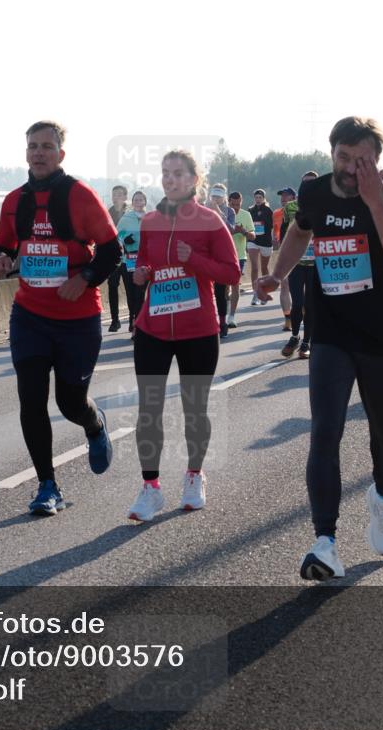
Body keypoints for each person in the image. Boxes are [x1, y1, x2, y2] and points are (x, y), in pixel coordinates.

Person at [257, 116, 383, 580]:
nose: (351, 168)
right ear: (331, 155)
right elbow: (300, 231)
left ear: (377, 160)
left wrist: (375, 202)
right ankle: (324, 542)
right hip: (331, 332)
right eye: (343, 158)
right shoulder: (313, 193)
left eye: (361, 160)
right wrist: (278, 273)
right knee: (325, 432)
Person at [0, 121, 122, 515]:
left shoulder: (80, 195)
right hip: (29, 315)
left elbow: (112, 252)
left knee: (69, 402)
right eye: (33, 146)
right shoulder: (14, 201)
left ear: (60, 154)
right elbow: (4, 245)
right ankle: (47, 486)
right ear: (25, 153)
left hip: (78, 320)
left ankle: (94, 424)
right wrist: (1, 259)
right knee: (31, 400)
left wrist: (84, 278)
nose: (39, 153)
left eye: (47, 146)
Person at [127, 150, 241, 521]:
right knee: (149, 410)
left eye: (178, 173)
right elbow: (144, 263)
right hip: (153, 327)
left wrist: (193, 258)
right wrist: (141, 273)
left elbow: (232, 274)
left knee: (195, 408)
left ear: (194, 179)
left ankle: (194, 475)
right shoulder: (150, 221)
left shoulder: (210, 220)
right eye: (165, 173)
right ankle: (150, 487)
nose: (170, 179)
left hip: (198, 330)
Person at [280, 174, 318, 358]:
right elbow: (284, 233)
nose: (308, 186)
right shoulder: (290, 207)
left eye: (312, 183)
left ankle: (306, 342)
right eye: (305, 182)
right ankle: (295, 337)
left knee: (310, 304)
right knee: (297, 303)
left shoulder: (324, 204)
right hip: (296, 262)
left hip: (315, 263)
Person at [206, 184, 237, 336]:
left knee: (220, 291)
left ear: (224, 197)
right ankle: (207, 322)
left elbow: (231, 229)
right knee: (204, 290)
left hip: (222, 254)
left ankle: (223, 322)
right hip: (206, 253)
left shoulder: (229, 211)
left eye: (218, 197)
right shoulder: (203, 209)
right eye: (214, 196)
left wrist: (218, 212)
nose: (216, 199)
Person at [116, 190, 148, 336]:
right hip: (128, 260)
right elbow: (117, 237)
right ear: (132, 202)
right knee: (131, 293)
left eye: (141, 200)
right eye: (136, 200)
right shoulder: (125, 218)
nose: (138, 202)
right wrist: (125, 240)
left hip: (144, 261)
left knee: (140, 293)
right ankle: (132, 319)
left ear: (145, 202)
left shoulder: (150, 218)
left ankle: (137, 324)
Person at [246, 189, 278, 327]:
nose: (258, 199)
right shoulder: (250, 210)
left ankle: (264, 291)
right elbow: (248, 226)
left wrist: (274, 237)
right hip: (253, 241)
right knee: (254, 267)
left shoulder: (268, 211)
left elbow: (272, 227)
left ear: (264, 198)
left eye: (260, 197)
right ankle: (255, 293)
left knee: (264, 268)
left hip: (265, 242)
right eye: (256, 197)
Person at [227, 190, 256, 327]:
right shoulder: (222, 214)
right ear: (228, 202)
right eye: (233, 205)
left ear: (241, 202)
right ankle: (224, 313)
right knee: (224, 288)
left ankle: (231, 317)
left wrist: (243, 231)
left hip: (239, 256)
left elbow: (253, 236)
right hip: (223, 255)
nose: (235, 208)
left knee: (235, 285)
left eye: (238, 205)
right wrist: (231, 231)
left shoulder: (246, 215)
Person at [106, 185, 129, 332]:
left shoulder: (130, 214)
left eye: (120, 194)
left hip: (129, 256)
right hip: (113, 256)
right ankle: (115, 320)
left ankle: (133, 320)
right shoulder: (107, 213)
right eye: (114, 194)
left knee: (130, 288)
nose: (116, 197)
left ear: (125, 197)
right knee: (112, 285)